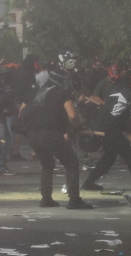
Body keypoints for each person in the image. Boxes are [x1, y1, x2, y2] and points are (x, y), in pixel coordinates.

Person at [24, 69, 92, 209]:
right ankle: (74, 200)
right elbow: (72, 116)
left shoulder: (34, 92)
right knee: (72, 163)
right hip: (50, 133)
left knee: (47, 164)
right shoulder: (62, 92)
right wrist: (77, 127)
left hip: (33, 134)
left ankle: (46, 198)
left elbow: (21, 113)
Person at [82, 70, 131, 193]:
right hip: (110, 126)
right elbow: (130, 114)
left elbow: (123, 115)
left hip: (106, 123)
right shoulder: (128, 91)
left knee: (109, 156)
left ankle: (89, 182)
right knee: (130, 154)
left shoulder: (120, 88)